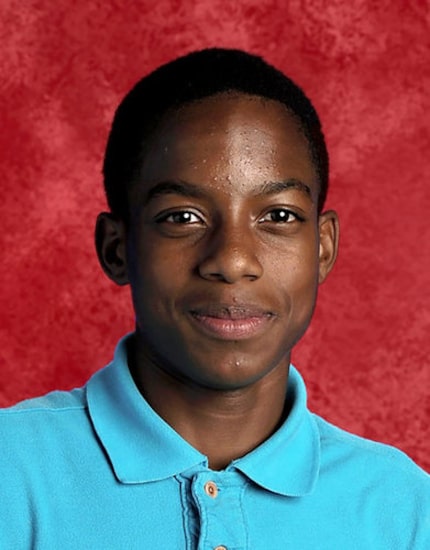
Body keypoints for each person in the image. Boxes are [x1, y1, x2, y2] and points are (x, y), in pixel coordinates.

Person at [1, 48, 429, 549]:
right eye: (182, 217)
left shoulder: (401, 509)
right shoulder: (14, 472)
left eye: (279, 216)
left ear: (323, 247)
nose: (232, 259)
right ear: (117, 249)